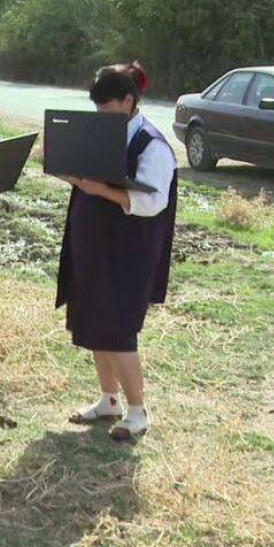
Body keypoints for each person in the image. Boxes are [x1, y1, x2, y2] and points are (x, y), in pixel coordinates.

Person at [55, 62, 177, 440]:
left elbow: (153, 201)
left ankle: (138, 411)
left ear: (129, 101)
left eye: (107, 109)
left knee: (118, 328)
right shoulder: (102, 133)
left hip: (128, 251)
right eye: (97, 110)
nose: (101, 118)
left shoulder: (152, 145)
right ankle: (109, 399)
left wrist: (101, 191)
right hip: (92, 244)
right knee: (93, 321)